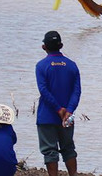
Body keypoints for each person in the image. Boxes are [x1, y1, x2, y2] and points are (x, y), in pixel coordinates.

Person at [36, 31, 81, 176]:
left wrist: (57, 109)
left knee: (49, 151)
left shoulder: (41, 65)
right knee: (68, 148)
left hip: (47, 116)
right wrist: (69, 110)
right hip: (67, 116)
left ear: (44, 47)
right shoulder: (72, 65)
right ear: (61, 45)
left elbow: (43, 90)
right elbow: (77, 91)